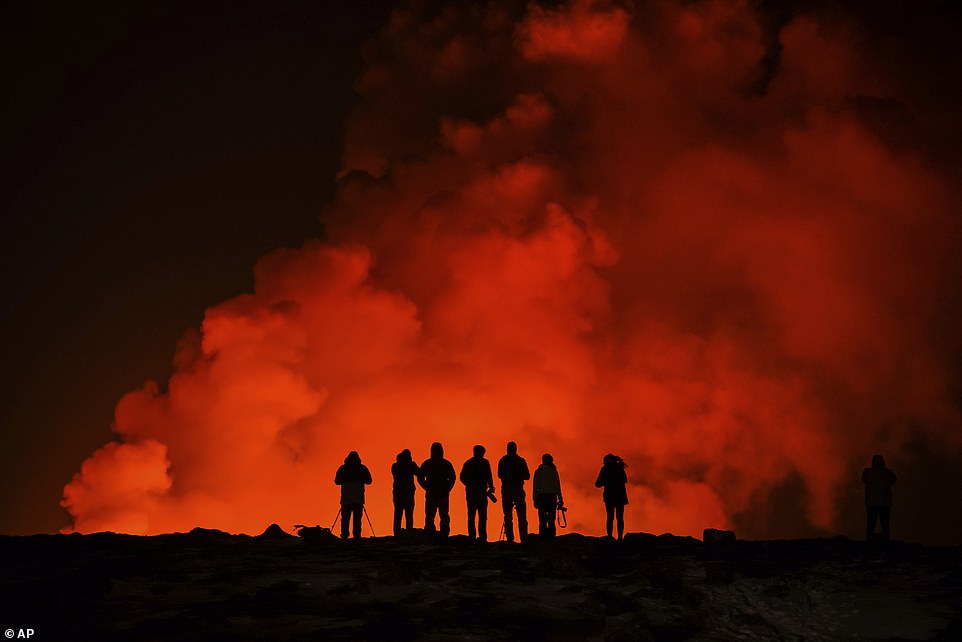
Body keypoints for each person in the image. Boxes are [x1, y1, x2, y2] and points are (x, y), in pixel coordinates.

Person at [418, 442, 457, 537]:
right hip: (437, 493)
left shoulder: (428, 463)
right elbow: (420, 477)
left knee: (438, 515)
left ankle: (436, 533)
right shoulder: (445, 463)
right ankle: (438, 533)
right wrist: (447, 488)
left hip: (438, 493)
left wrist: (426, 487)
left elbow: (452, 478)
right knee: (435, 515)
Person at [460, 445, 495, 541]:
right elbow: (489, 476)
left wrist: (469, 485)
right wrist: (490, 487)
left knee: (474, 515)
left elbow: (462, 477)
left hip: (474, 493)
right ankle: (481, 537)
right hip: (479, 493)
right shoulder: (484, 463)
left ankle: (474, 536)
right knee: (480, 516)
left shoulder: (469, 463)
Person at [334, 451, 372, 539]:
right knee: (357, 519)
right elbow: (369, 481)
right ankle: (357, 536)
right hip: (358, 498)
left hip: (346, 498)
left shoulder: (343, 468)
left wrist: (346, 480)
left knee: (345, 519)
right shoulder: (362, 468)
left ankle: (344, 536)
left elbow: (337, 481)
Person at [498, 441, 530, 542]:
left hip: (506, 490)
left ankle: (510, 539)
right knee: (521, 515)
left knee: (508, 516)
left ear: (507, 449)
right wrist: (518, 475)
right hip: (518, 489)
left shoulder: (503, 460)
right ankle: (524, 538)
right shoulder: (520, 460)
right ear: (515, 449)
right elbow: (527, 476)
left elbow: (499, 475)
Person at [862, 454, 897, 543]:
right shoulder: (887, 473)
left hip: (871, 502)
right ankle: (885, 541)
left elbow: (863, 479)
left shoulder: (867, 472)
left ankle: (869, 540)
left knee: (871, 523)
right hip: (884, 503)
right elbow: (893, 480)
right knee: (884, 524)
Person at [595, 453, 628, 540]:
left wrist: (606, 481)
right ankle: (620, 537)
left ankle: (609, 537)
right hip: (620, 496)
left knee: (610, 517)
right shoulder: (619, 468)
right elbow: (625, 479)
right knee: (620, 517)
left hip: (609, 496)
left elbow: (597, 484)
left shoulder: (605, 469)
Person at [532, 453, 563, 538]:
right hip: (552, 498)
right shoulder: (553, 471)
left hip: (541, 498)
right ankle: (551, 538)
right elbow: (557, 486)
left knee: (542, 520)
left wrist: (535, 499)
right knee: (551, 520)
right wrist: (560, 499)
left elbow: (535, 487)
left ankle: (542, 538)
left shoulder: (538, 471)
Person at [391, 449, 420, 537]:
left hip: (398, 493)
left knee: (398, 514)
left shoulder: (395, 465)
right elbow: (419, 473)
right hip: (408, 493)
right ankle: (409, 532)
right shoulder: (411, 465)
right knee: (409, 514)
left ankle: (397, 533)